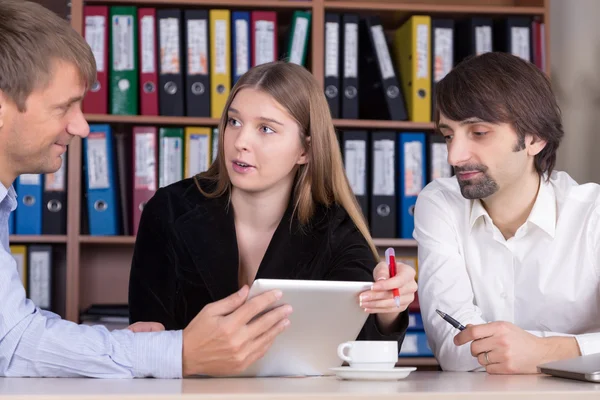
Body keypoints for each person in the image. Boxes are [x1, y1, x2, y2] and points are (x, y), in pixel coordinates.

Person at [0, 0, 288, 379]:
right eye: (64, 107)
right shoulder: (172, 209)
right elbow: (14, 343)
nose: (82, 127)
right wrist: (178, 352)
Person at [128, 61, 418, 376]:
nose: (240, 141)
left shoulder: (336, 229)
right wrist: (147, 340)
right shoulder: (169, 211)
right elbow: (149, 336)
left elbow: (358, 352)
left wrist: (388, 307)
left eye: (265, 128)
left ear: (305, 150)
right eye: (234, 121)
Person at [414, 51, 600, 374]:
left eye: (479, 133)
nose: (455, 156)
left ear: (535, 138)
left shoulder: (592, 215)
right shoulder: (439, 204)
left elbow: (476, 351)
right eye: (448, 136)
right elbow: (454, 349)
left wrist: (541, 351)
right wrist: (571, 350)